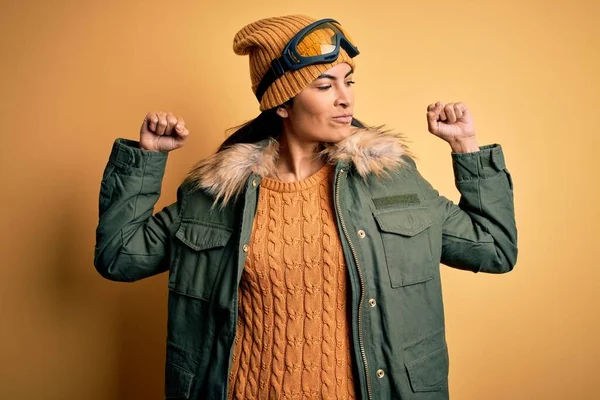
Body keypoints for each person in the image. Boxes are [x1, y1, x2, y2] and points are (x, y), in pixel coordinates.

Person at [94, 15, 517, 400]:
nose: (345, 99)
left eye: (348, 82)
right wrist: (147, 158)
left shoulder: (389, 180)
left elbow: (493, 248)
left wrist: (466, 148)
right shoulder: (218, 194)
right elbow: (119, 257)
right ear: (281, 103)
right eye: (324, 85)